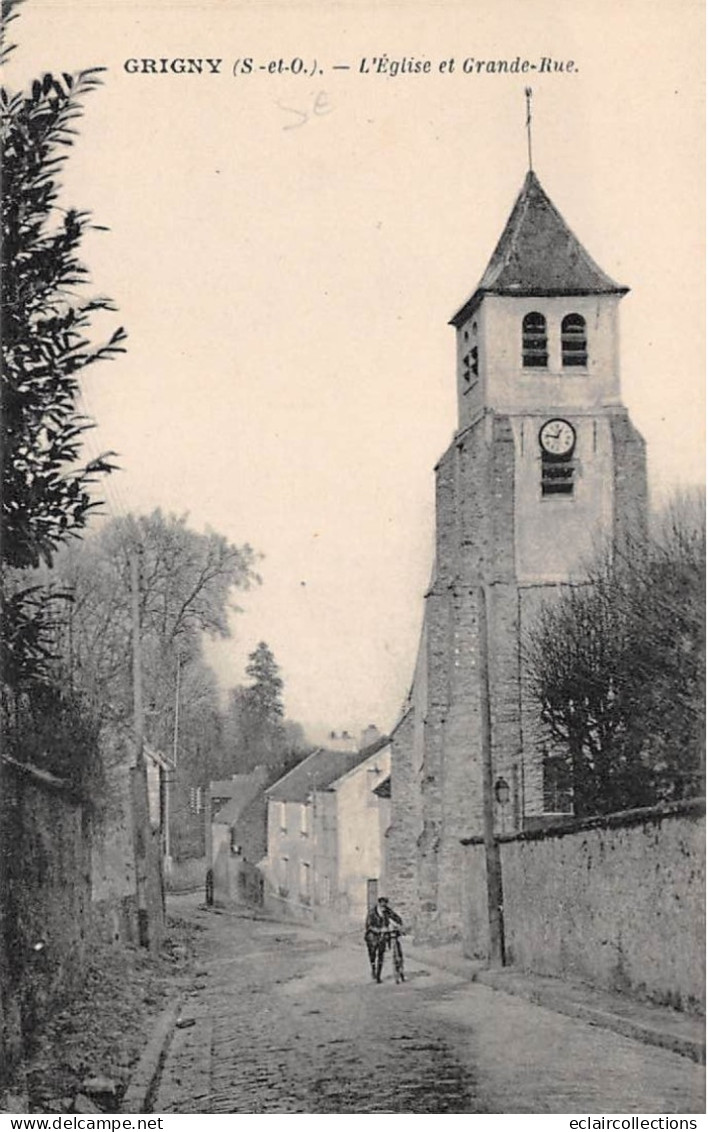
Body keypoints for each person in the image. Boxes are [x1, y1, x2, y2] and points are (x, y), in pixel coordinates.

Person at [364, 896, 402, 982]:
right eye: (382, 905)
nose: (384, 907)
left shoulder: (387, 911)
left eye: (385, 905)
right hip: (372, 936)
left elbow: (396, 917)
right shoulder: (372, 913)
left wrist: (399, 923)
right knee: (372, 954)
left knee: (381, 955)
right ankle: (373, 968)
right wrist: (379, 930)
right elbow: (368, 926)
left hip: (383, 937)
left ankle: (378, 975)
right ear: (379, 904)